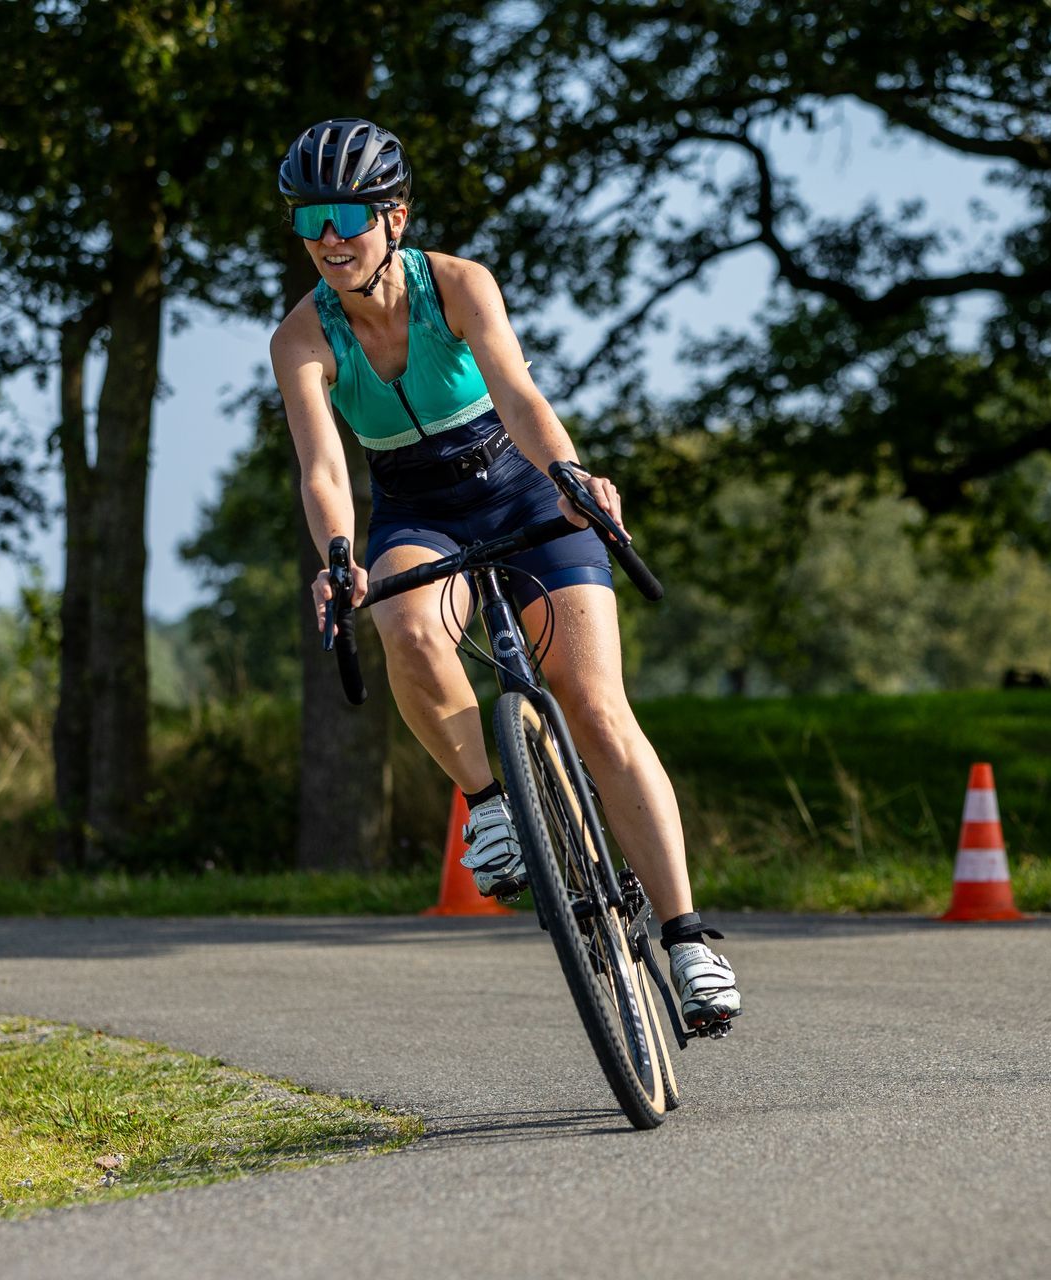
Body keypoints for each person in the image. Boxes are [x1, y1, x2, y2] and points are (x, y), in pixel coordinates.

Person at [269, 118, 740, 1031]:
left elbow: (520, 395)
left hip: (522, 491)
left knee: (596, 706)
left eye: (347, 215)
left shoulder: (457, 284)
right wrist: (339, 556)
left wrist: (570, 477)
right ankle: (488, 803)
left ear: (394, 216)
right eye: (308, 218)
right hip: (416, 508)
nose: (329, 237)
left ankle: (687, 940)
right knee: (404, 627)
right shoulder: (300, 337)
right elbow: (323, 467)